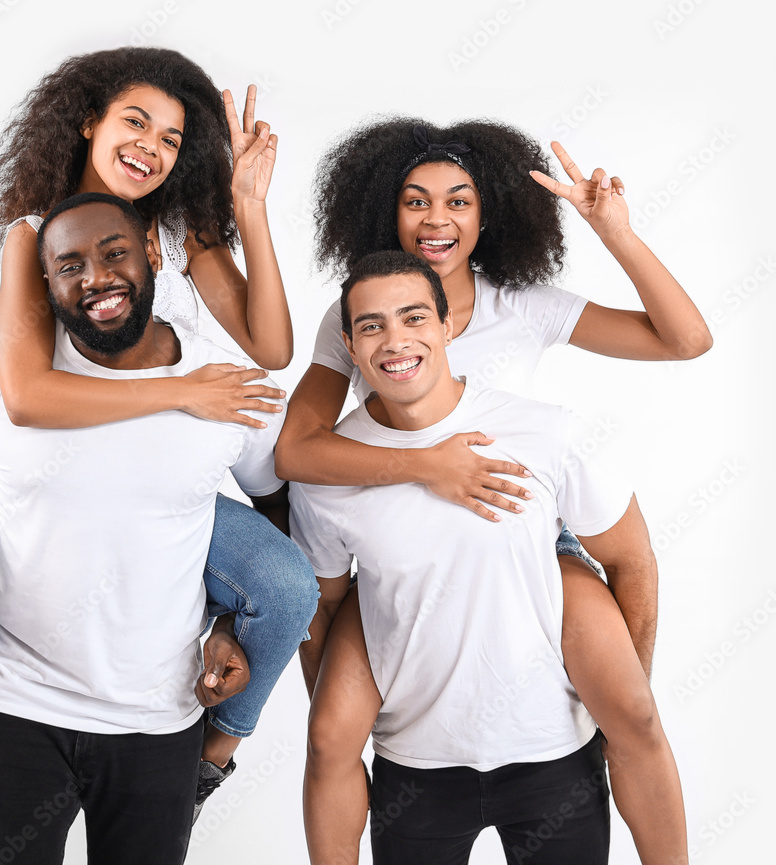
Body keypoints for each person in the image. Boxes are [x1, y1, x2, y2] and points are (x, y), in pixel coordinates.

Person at [0, 48, 317, 864]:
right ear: (88, 122)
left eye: (174, 137)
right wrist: (182, 392)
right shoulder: (34, 233)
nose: (151, 146)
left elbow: (273, 343)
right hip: (43, 455)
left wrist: (248, 205)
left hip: (164, 470)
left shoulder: (182, 228)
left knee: (287, 583)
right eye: (134, 121)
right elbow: (32, 396)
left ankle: (209, 761)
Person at [275, 118, 706, 864]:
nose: (436, 219)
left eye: (458, 201)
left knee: (632, 711)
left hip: (531, 528)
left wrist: (616, 234)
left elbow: (685, 340)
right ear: (387, 210)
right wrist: (426, 465)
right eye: (415, 201)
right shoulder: (356, 316)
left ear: (486, 214)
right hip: (392, 530)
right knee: (330, 734)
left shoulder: (524, 306)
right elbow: (298, 449)